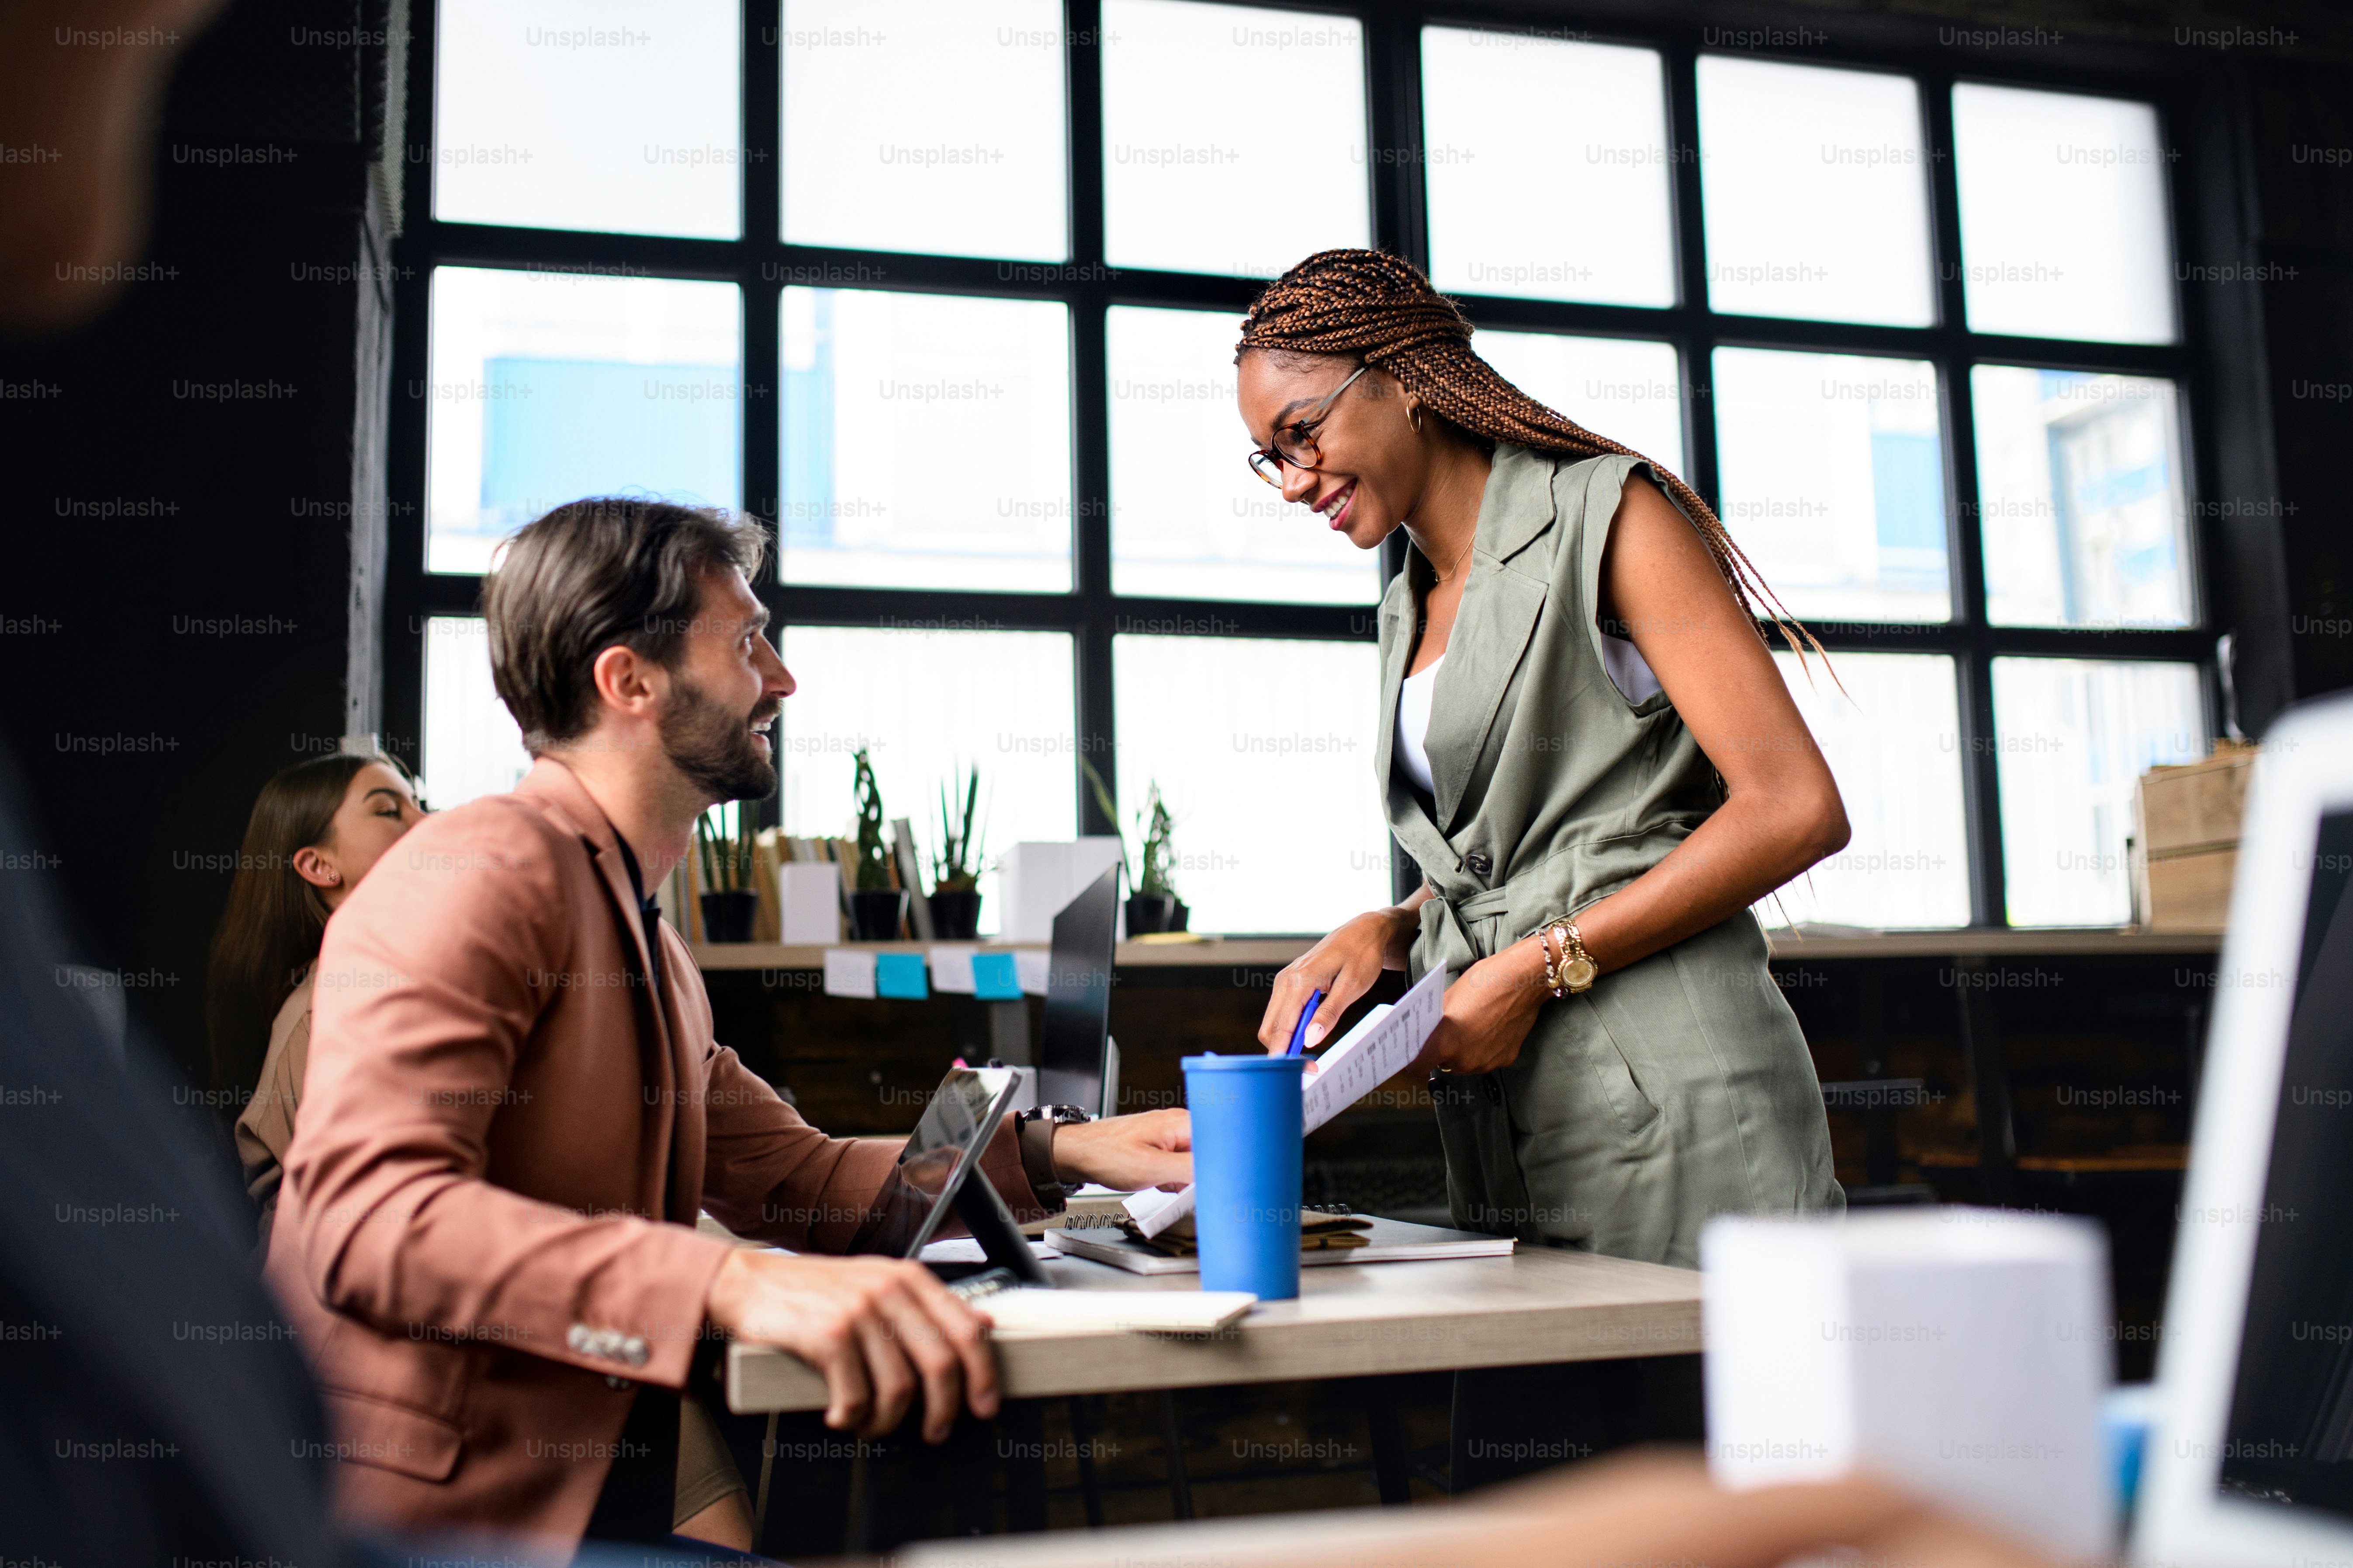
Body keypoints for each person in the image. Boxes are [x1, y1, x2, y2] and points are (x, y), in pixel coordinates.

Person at [268, 497, 1194, 1551]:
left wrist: (1066, 1145)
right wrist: (731, 1277)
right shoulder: (476, 869)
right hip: (423, 1526)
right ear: (630, 681)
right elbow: (366, 1216)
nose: (783, 679)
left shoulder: (647, 939)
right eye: (748, 640)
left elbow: (796, 1178)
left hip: (580, 1502)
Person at [1243, 250, 1846, 1268]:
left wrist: (1536, 964)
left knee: (1713, 1427)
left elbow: (1793, 807)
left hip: (1681, 1101)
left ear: (1400, 379)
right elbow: (1525, 844)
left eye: (1303, 434)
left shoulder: (1610, 514)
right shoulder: (1408, 600)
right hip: (1520, 1127)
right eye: (1270, 457)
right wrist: (1392, 925)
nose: (1295, 481)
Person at [207, 752, 425, 1254]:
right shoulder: (323, 1015)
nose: (426, 822)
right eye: (389, 810)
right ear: (319, 865)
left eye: (418, 804)